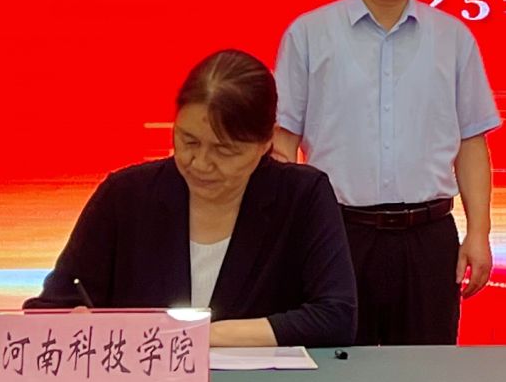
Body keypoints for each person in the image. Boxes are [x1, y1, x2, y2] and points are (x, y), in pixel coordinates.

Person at [273, 0, 500, 344]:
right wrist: (289, 234)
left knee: (426, 374)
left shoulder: (453, 38)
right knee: (337, 368)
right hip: (337, 234)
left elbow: (471, 142)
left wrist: (479, 232)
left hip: (429, 237)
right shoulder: (309, 34)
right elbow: (283, 142)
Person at [29, 49, 357, 347]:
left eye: (224, 151)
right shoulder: (125, 194)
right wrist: (70, 321)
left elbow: (336, 317)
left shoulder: (302, 196)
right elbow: (53, 306)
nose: (200, 164)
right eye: (188, 141)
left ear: (264, 143)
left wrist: (196, 335)